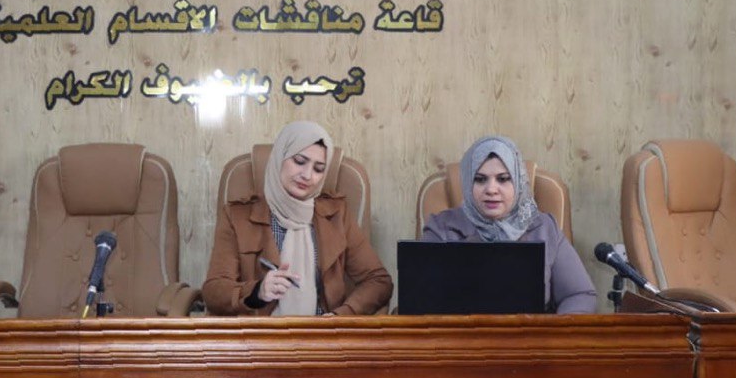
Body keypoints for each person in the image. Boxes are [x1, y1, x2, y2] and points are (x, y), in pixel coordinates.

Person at [203, 120, 393, 316]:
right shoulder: (238, 216)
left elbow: (379, 281)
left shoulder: (336, 214)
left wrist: (341, 316)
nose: (307, 175)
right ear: (280, 157)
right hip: (262, 332)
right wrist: (257, 291)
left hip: (323, 331)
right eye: (300, 161)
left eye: (319, 169)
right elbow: (214, 291)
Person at [421, 136, 597, 314]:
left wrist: (553, 330)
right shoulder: (441, 228)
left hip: (531, 331)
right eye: (480, 179)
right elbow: (422, 298)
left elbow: (579, 295)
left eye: (503, 179)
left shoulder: (544, 228)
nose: (491, 189)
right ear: (467, 183)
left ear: (518, 182)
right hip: (460, 330)